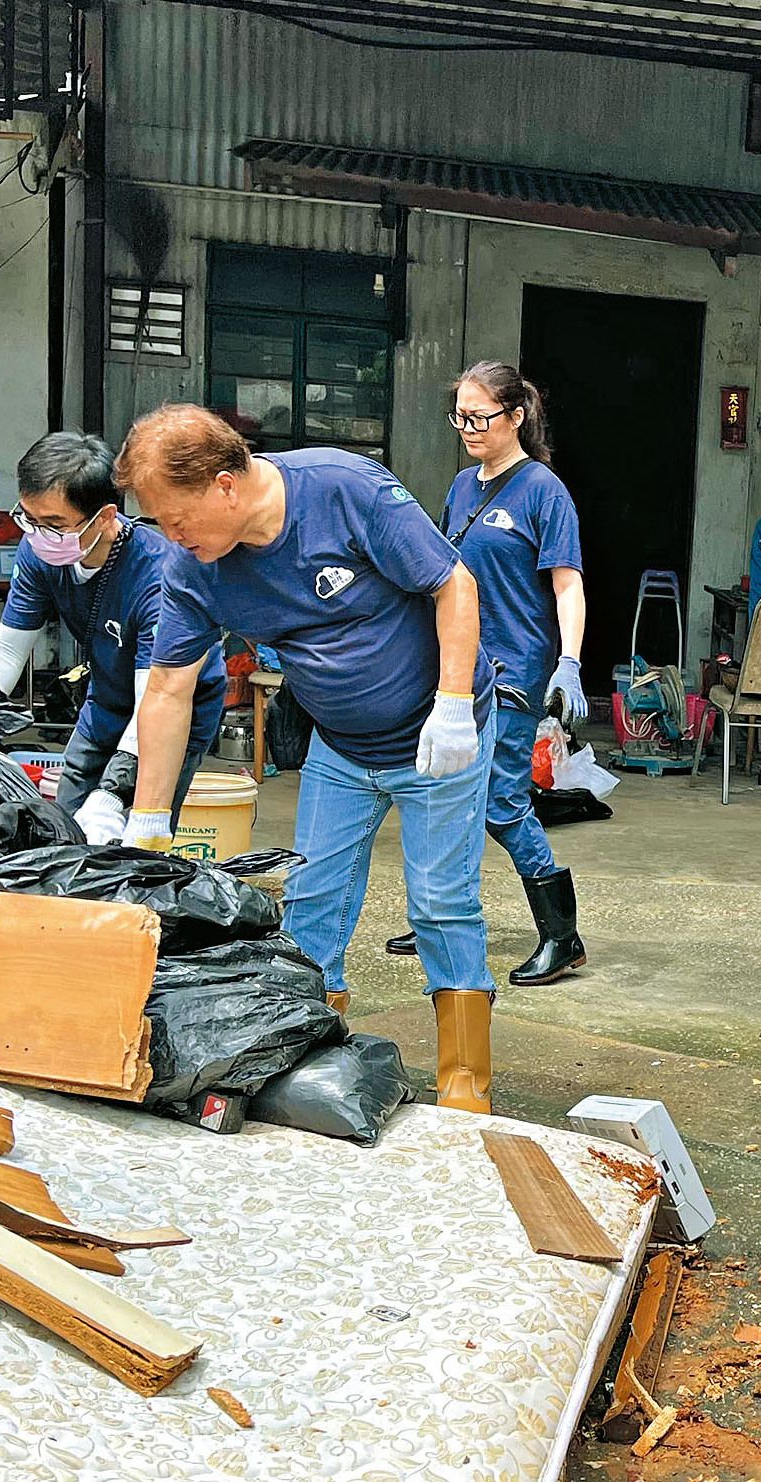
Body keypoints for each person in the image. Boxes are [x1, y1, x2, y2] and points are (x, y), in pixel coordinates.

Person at [113, 404, 499, 1111]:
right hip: (341, 744)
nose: (170, 537)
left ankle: (464, 1080)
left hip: (435, 732)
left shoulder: (346, 491)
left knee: (441, 904)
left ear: (225, 486)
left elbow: (455, 585)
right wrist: (146, 816)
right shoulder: (195, 566)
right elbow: (168, 687)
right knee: (311, 905)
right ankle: (309, 1061)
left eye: (176, 518)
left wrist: (452, 703)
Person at [384, 362, 591, 985]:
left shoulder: (543, 491)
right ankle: (441, 916)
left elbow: (568, 584)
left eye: (481, 417)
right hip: (458, 665)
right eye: (461, 417)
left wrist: (570, 663)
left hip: (515, 668)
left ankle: (563, 935)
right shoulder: (461, 486)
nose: (468, 428)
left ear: (517, 417)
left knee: (501, 801)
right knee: (443, 787)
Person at [0, 432, 226, 840]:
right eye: (29, 518)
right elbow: (8, 652)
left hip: (174, 704)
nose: (37, 534)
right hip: (106, 695)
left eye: (54, 525)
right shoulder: (39, 551)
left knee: (131, 837)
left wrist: (114, 794)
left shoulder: (160, 578)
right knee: (62, 827)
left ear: (105, 518)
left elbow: (157, 699)